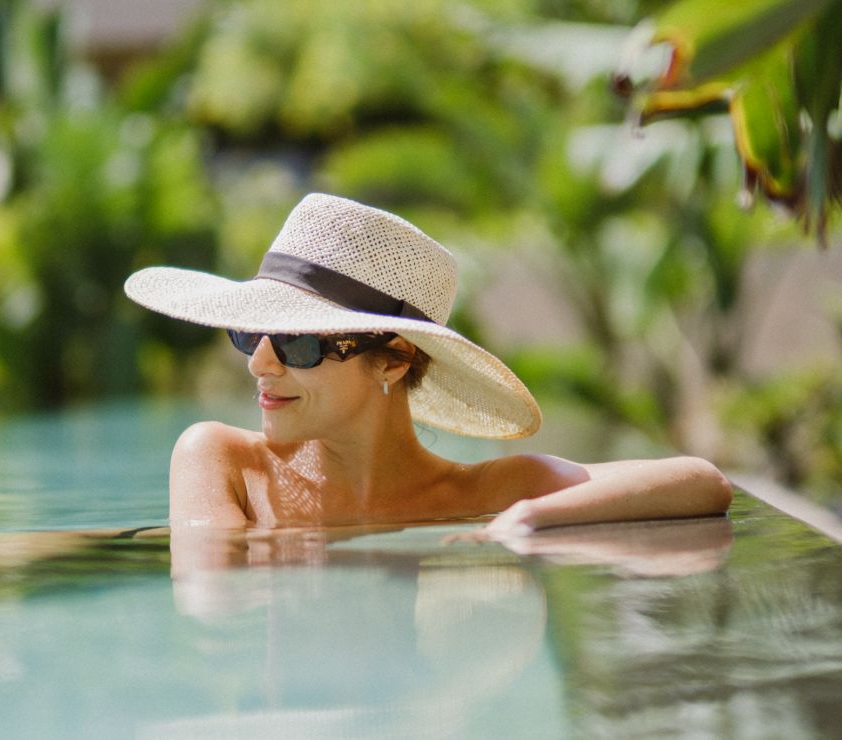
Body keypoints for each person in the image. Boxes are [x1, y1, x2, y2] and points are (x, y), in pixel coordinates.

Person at [125, 193, 732, 535]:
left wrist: (531, 516)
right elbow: (210, 608)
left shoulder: (482, 493)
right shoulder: (223, 461)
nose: (260, 362)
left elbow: (702, 482)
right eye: (251, 332)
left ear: (393, 362)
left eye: (300, 342)